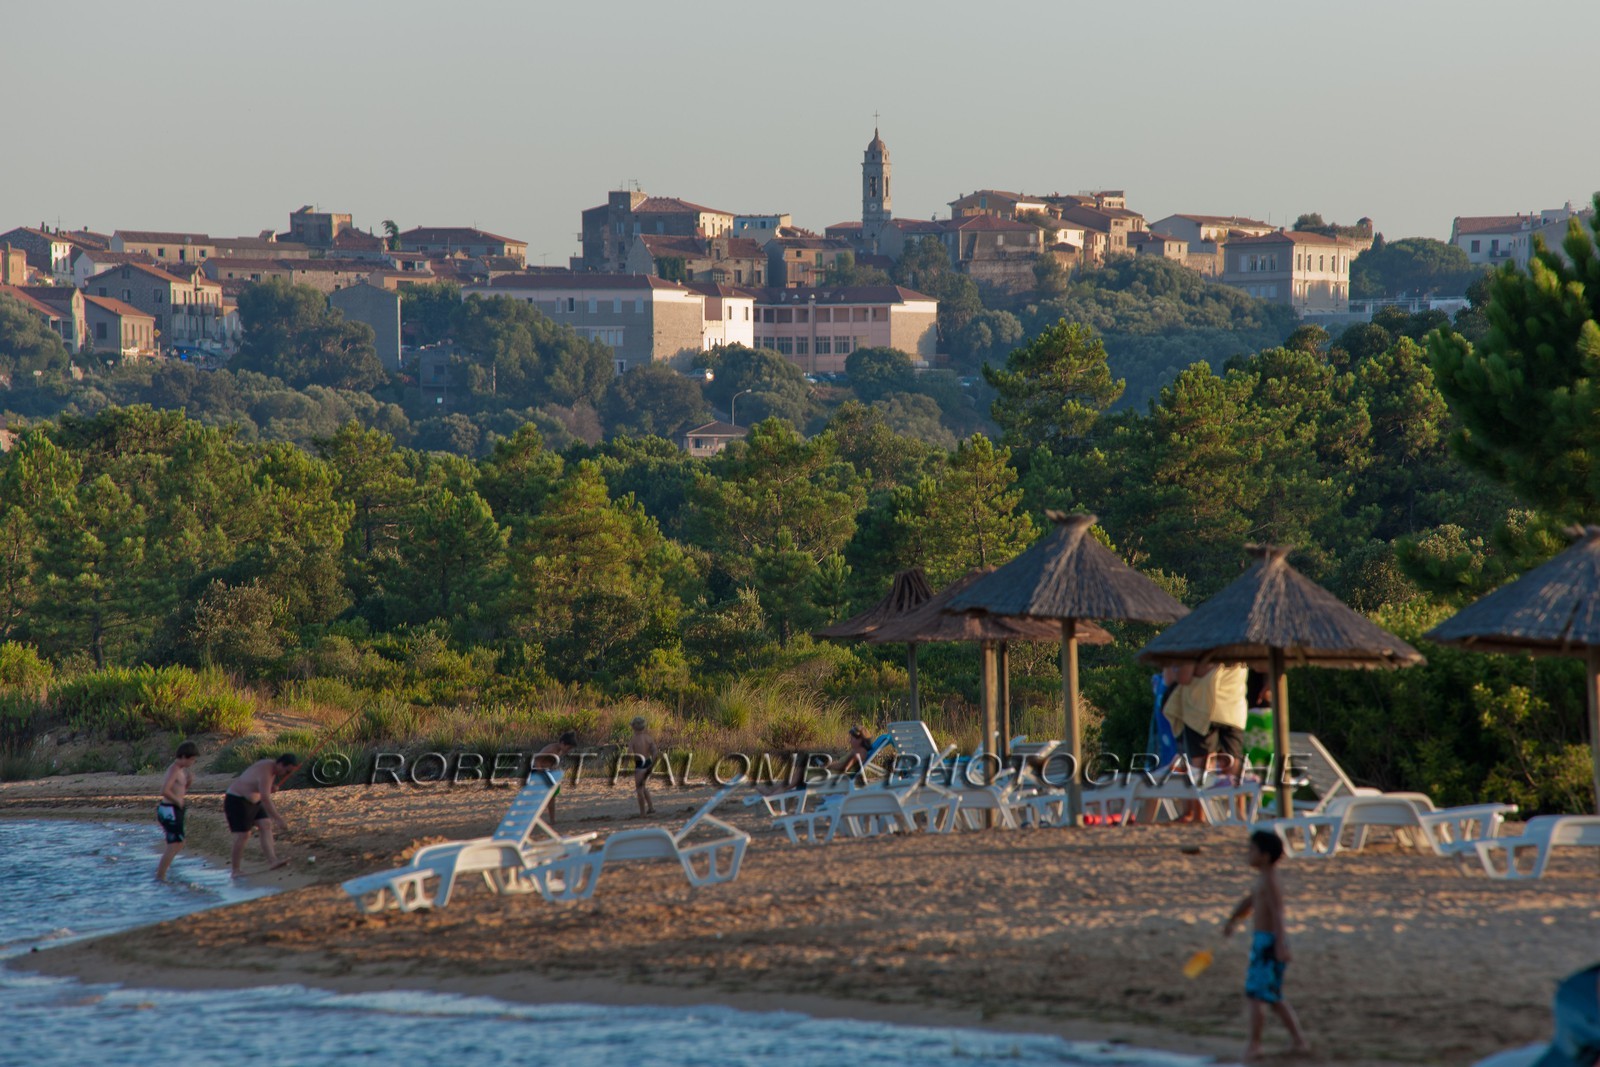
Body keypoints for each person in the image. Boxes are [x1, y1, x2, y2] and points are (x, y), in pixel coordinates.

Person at [1223, 829, 1311, 1060]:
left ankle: (1255, 1045)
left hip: (1268, 942)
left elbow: (1278, 912)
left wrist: (1281, 944)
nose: (1247, 854)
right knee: (1273, 997)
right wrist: (1233, 920)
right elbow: (1250, 901)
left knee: (1255, 995)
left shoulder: (1271, 879)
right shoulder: (1262, 879)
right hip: (1264, 941)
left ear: (1264, 855)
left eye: (1251, 850)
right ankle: (1299, 1041)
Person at [224, 753, 300, 877]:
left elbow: (258, 787)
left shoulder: (273, 770)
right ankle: (235, 870)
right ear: (281, 764)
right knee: (243, 835)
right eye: (287, 771)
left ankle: (273, 861)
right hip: (237, 800)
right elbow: (265, 798)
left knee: (265, 824)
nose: (285, 775)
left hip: (253, 800)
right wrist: (279, 819)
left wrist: (269, 789)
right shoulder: (266, 769)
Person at [155, 740, 199, 881]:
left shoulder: (180, 771)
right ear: (184, 757)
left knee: (179, 842)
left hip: (174, 809)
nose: (193, 762)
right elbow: (164, 790)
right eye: (192, 759)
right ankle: (160, 876)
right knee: (175, 843)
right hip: (169, 809)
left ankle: (164, 871)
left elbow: (178, 791)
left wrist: (188, 783)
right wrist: (177, 801)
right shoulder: (174, 769)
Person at [532, 731, 577, 824]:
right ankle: (533, 820)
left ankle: (552, 820)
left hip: (548, 772)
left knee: (552, 797)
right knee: (540, 798)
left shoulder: (559, 750)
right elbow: (537, 761)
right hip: (538, 773)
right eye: (568, 748)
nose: (568, 750)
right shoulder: (551, 749)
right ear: (562, 743)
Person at [627, 717, 657, 817]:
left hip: (640, 764)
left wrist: (626, 765)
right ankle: (651, 808)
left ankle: (642, 813)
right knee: (643, 787)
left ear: (634, 728)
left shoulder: (633, 740)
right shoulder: (648, 738)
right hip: (648, 763)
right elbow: (655, 751)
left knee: (639, 789)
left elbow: (629, 754)